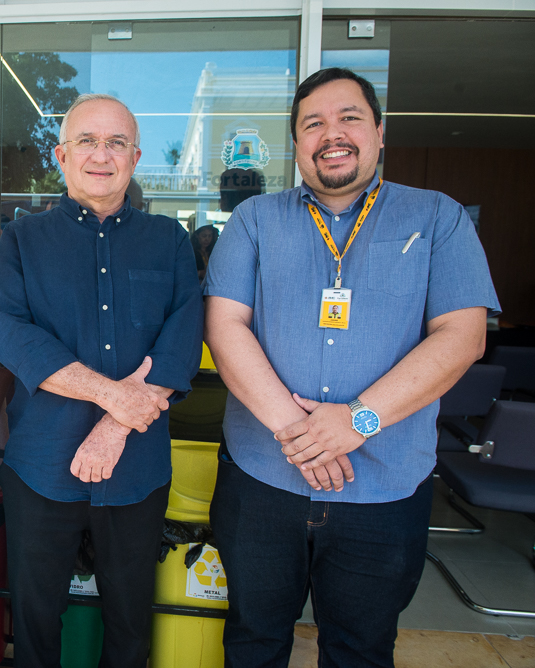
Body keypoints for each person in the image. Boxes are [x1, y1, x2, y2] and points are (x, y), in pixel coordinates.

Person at [203, 68, 500, 667]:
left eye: (349, 119)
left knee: (360, 651)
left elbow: (462, 337)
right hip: (261, 483)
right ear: (297, 142)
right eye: (313, 123)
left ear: (380, 132)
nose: (331, 134)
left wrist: (356, 422)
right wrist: (300, 433)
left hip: (385, 487)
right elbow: (224, 326)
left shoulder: (438, 218)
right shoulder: (254, 220)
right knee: (253, 641)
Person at [0, 93, 202, 667]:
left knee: (130, 622)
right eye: (87, 141)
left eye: (115, 143)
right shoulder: (21, 240)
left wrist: (113, 426)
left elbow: (181, 341)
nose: (101, 155)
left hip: (137, 469)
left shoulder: (170, 241)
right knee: (34, 622)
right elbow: (12, 336)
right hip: (41, 468)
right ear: (61, 155)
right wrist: (112, 395)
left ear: (134, 157)